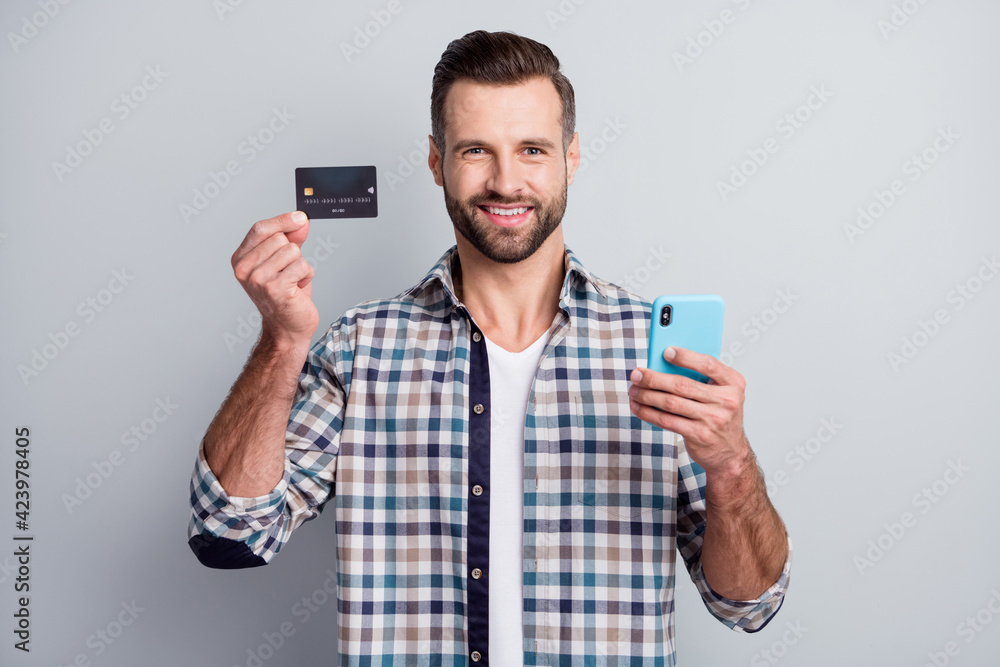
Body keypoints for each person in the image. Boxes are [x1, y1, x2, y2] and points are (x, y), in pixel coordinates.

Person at [187, 29, 791, 666]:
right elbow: (232, 532)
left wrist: (730, 467)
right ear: (435, 161)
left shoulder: (651, 350)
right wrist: (283, 343)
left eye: (532, 149)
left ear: (572, 157)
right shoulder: (362, 348)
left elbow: (748, 602)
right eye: (476, 150)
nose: (507, 182)